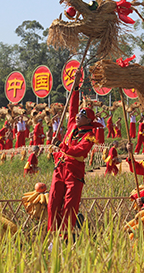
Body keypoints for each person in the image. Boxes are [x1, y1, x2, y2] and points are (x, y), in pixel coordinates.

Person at [47, 69, 99, 233]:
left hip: (74, 173)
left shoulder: (90, 136)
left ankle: (65, 238)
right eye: (78, 114)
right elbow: (73, 105)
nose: (77, 116)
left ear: (89, 120)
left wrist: (61, 145)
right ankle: (52, 235)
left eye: (82, 115)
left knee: (69, 207)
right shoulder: (71, 125)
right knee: (53, 203)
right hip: (60, 169)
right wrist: (76, 86)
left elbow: (78, 151)